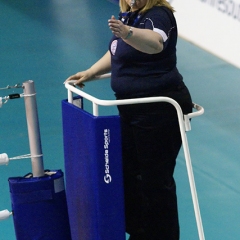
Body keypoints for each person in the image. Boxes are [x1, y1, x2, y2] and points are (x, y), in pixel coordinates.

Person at [65, 0, 192, 239]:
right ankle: (140, 233)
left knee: (155, 180)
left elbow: (154, 44)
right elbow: (116, 50)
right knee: (129, 177)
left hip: (158, 111)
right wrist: (91, 72)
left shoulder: (158, 15)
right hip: (131, 110)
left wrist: (128, 33)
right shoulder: (128, 16)